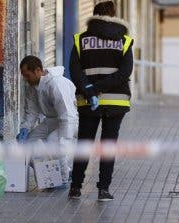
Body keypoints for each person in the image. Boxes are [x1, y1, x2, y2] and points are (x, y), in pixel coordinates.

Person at [68, 1, 134, 201]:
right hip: (116, 102)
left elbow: (75, 70)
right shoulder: (124, 41)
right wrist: (101, 87)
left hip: (89, 102)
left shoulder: (81, 40)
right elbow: (125, 72)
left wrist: (90, 89)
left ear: (93, 16)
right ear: (114, 16)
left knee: (84, 144)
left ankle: (76, 188)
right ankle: (103, 190)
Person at [16, 55, 78, 186]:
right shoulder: (33, 86)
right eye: (24, 76)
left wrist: (65, 139)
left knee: (54, 143)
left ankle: (65, 177)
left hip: (69, 120)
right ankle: (49, 176)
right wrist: (25, 127)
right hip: (52, 120)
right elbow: (32, 111)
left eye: (27, 75)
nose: (26, 79)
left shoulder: (56, 84)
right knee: (28, 143)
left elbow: (68, 115)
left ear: (38, 70)